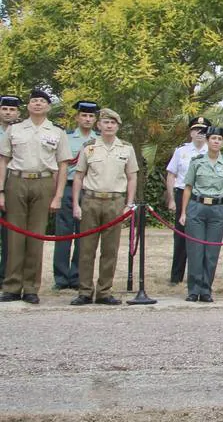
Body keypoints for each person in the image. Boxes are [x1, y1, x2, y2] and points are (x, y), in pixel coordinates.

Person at [0, 90, 73, 303]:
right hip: (16, 181)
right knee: (15, 237)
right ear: (28, 106)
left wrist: (58, 195)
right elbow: (3, 161)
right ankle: (12, 286)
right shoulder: (14, 130)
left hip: (43, 183)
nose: (38, 104)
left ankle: (31, 287)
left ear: (49, 107)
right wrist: (1, 191)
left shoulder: (57, 132)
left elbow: (63, 165)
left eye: (42, 101)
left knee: (35, 236)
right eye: (34, 101)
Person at [68, 107, 137, 306]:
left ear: (117, 126)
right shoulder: (89, 147)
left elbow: (132, 177)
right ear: (99, 125)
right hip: (91, 200)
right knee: (86, 249)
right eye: (105, 122)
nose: (109, 126)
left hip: (115, 202)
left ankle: (104, 291)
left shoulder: (126, 148)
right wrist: (76, 204)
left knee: (110, 250)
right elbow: (79, 176)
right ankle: (85, 291)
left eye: (113, 123)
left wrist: (129, 204)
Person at [178, 126, 223, 303]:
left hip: (217, 210)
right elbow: (188, 187)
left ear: (222, 142)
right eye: (213, 138)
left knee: (211, 251)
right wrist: (183, 212)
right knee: (195, 250)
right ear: (207, 140)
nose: (216, 141)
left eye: (219, 139)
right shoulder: (197, 162)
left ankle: (206, 290)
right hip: (197, 206)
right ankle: (193, 290)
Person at [52, 100, 98, 291]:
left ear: (95, 119)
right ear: (77, 117)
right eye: (84, 115)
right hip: (68, 187)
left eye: (91, 116)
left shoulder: (100, 139)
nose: (87, 119)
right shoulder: (66, 137)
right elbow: (58, 164)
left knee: (84, 235)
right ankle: (61, 278)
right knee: (63, 233)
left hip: (89, 189)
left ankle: (78, 276)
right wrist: (57, 192)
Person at [163, 116, 209, 286]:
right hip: (182, 194)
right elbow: (171, 175)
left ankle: (200, 275)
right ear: (190, 132)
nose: (199, 134)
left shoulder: (210, 152)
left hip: (203, 195)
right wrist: (171, 199)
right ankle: (176, 276)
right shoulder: (181, 151)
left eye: (203, 131)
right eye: (196, 130)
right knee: (181, 236)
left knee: (202, 238)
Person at [0, 93, 19, 282]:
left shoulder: (20, 133)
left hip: (11, 186)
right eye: (4, 109)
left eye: (12, 109)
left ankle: (5, 274)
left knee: (9, 235)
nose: (8, 112)